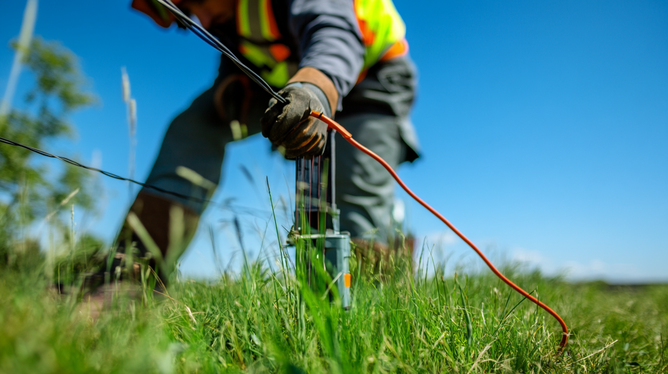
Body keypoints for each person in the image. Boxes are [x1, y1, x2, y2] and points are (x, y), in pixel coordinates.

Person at [109, 0, 420, 285]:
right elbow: (246, 52)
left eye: (199, 1)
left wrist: (315, 90)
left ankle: (365, 304)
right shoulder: (223, 14)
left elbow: (334, 36)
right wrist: (231, 81)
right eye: (188, 11)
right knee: (195, 126)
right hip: (286, 84)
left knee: (354, 193)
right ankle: (131, 276)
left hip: (370, 79)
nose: (201, 19)